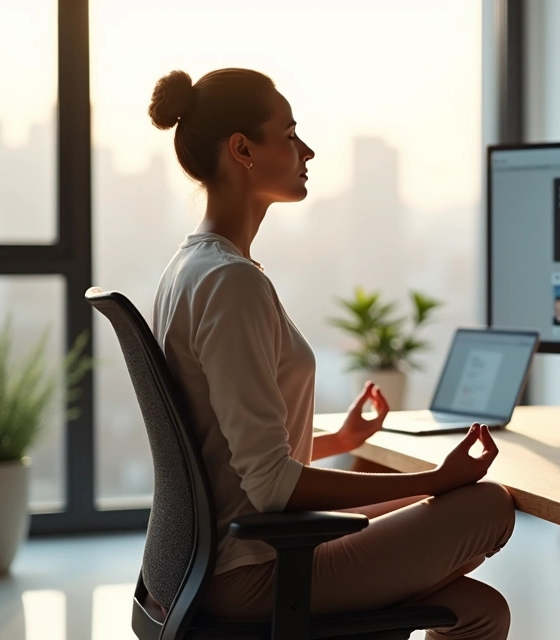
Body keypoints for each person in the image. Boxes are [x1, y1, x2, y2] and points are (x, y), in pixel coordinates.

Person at [147, 68, 514, 640]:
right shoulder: (231, 282)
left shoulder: (189, 267)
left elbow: (219, 446)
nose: (307, 150)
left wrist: (338, 443)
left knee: (482, 610)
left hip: (235, 551)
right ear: (242, 149)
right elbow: (270, 485)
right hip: (255, 569)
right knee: (487, 505)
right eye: (289, 135)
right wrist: (438, 482)